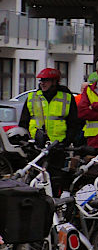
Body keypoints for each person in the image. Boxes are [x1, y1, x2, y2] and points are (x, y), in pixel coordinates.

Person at [19, 67, 82, 195]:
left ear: (55, 82)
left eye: (46, 80)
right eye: (42, 80)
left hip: (57, 148)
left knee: (55, 180)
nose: (42, 83)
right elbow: (23, 123)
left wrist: (65, 143)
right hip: (36, 147)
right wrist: (26, 142)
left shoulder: (67, 97)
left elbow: (73, 123)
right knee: (35, 179)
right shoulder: (32, 97)